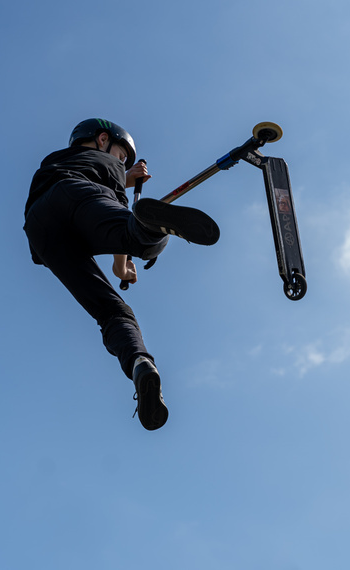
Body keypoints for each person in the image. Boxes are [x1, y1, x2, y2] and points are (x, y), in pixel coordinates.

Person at [24, 118, 219, 431]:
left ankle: (140, 363)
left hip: (42, 232)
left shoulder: (58, 162)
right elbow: (111, 214)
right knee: (140, 238)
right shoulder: (103, 165)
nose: (121, 162)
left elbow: (105, 218)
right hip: (79, 196)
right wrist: (124, 181)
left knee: (113, 311)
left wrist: (120, 264)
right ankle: (154, 232)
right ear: (103, 140)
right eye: (121, 155)